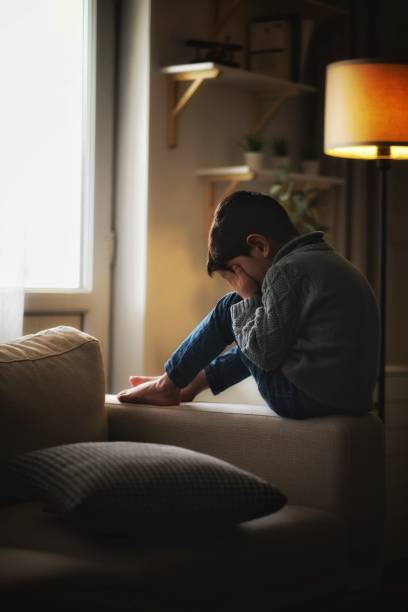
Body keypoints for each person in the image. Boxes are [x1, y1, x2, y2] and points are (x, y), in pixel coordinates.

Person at [117, 190, 380, 419]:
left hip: (303, 398)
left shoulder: (285, 271)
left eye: (236, 271)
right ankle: (188, 383)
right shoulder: (326, 260)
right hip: (350, 400)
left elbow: (263, 354)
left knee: (231, 308)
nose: (238, 281)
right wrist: (252, 305)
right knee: (254, 321)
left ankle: (168, 384)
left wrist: (246, 297)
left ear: (259, 245)